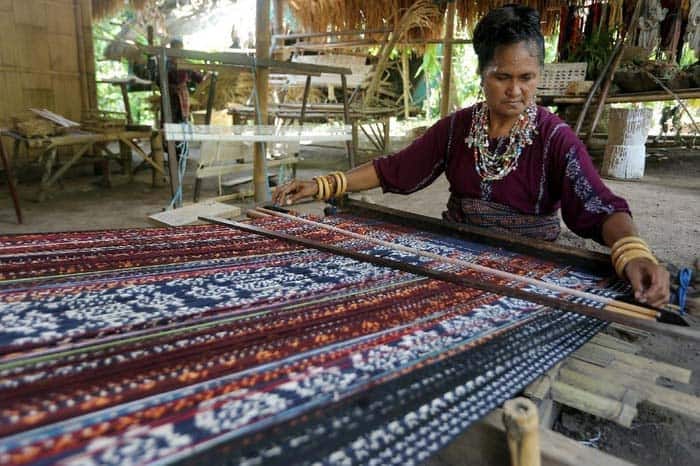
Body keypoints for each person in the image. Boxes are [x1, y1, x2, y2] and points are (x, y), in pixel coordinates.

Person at [272, 5, 670, 307]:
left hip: (527, 264)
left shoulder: (555, 139)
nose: (515, 90)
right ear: (482, 74)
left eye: (527, 78)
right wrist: (323, 184)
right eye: (502, 77)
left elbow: (600, 205)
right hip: (455, 252)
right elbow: (396, 169)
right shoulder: (458, 128)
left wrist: (633, 252)